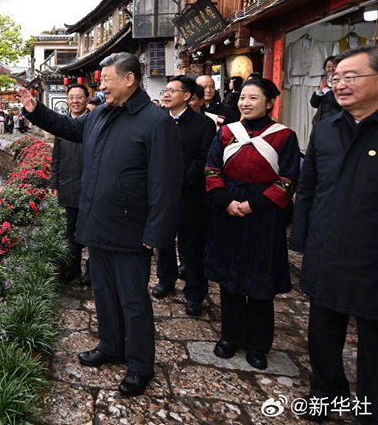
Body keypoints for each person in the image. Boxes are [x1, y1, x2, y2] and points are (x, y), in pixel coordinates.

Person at [17, 52, 182, 397]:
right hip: (97, 222)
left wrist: (157, 232)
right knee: (104, 292)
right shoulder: (99, 115)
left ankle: (140, 365)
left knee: (133, 301)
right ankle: (111, 345)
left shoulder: (156, 122)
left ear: (129, 79)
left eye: (107, 79)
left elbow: (166, 184)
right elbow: (67, 128)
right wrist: (35, 108)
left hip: (131, 228)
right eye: (100, 80)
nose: (101, 86)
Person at [290, 45, 378, 422]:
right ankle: (326, 394)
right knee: (322, 336)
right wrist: (301, 239)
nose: (340, 84)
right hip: (327, 248)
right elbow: (308, 187)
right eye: (336, 78)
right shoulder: (326, 128)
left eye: (351, 77)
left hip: (372, 256)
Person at [204, 77, 300, 370]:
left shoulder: (284, 136)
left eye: (254, 98)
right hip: (228, 208)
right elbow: (212, 168)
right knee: (229, 277)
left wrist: (253, 205)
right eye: (243, 97)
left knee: (260, 279)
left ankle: (259, 344)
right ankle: (231, 336)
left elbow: (288, 179)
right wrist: (226, 200)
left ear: (270, 103)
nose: (245, 103)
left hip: (264, 213)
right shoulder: (226, 132)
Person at [152, 76, 216, 318]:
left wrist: (178, 181)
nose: (166, 94)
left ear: (187, 96)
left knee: (193, 248)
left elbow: (203, 159)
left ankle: (195, 293)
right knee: (164, 241)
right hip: (162, 195)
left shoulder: (203, 124)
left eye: (172, 90)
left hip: (191, 195)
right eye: (165, 90)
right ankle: (165, 280)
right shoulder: (158, 121)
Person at [47, 83, 90, 282]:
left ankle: (92, 271)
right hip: (69, 184)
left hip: (90, 185)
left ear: (87, 99)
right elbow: (56, 158)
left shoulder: (93, 123)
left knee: (91, 229)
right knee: (71, 229)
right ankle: (74, 268)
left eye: (79, 97)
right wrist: (54, 182)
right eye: (71, 97)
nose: (75, 101)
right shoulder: (62, 126)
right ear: (67, 101)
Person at [310, 55, 342, 126]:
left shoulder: (343, 82)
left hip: (334, 123)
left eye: (334, 66)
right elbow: (314, 104)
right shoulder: (326, 80)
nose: (331, 69)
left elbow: (337, 103)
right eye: (328, 67)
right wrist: (320, 91)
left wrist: (326, 90)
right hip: (319, 123)